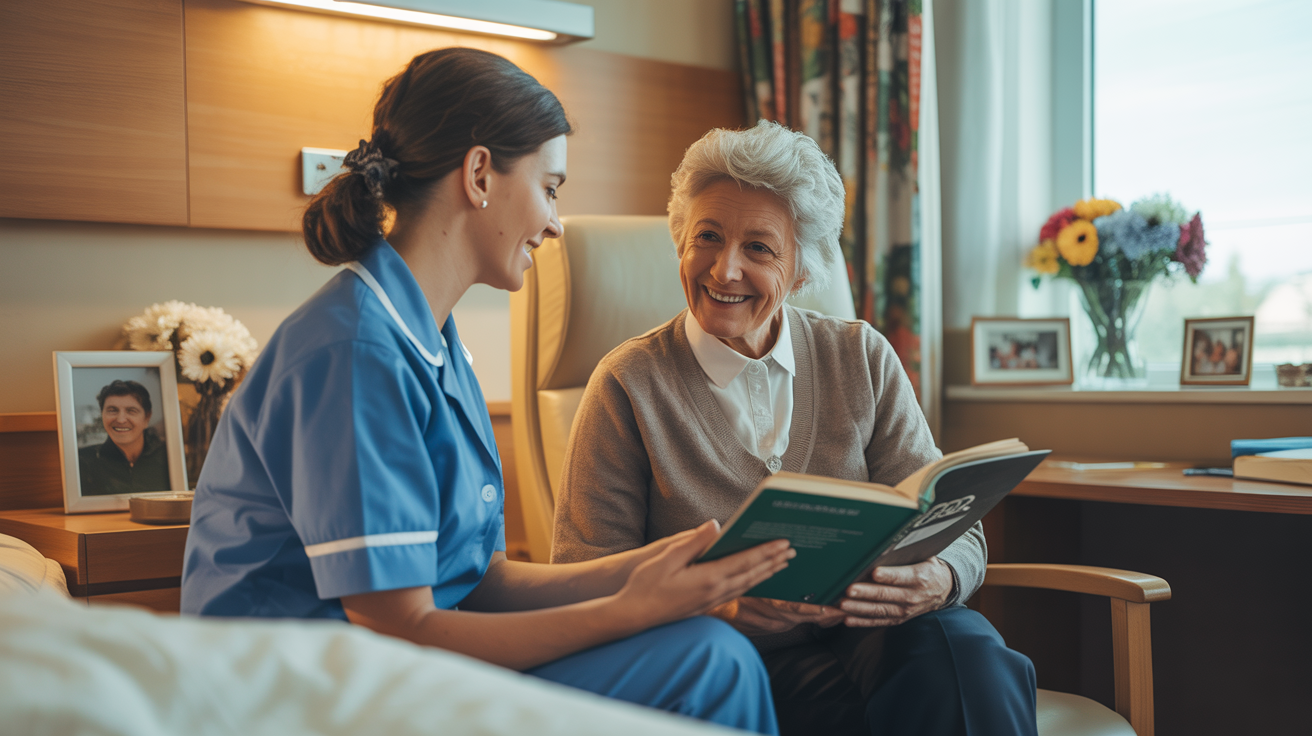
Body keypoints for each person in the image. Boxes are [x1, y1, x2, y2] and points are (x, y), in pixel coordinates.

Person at [180, 48, 791, 734]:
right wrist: (628, 612)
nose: (555, 223)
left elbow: (481, 580)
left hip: (396, 673)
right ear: (479, 175)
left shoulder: (433, 340)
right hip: (303, 700)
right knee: (709, 662)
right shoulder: (355, 354)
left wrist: (650, 568)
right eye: (550, 188)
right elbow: (400, 629)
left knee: (707, 652)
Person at [552, 121, 1038, 736]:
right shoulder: (628, 384)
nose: (725, 269)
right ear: (680, 242)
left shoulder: (861, 356)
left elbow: (953, 526)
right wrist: (719, 606)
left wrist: (938, 578)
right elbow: (585, 581)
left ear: (802, 270)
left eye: (759, 248)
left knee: (962, 653)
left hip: (871, 642)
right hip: (721, 663)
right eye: (707, 237)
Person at [78, 379, 170, 496]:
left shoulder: (168, 457)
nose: (121, 420)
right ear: (102, 415)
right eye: (112, 410)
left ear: (147, 417)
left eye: (131, 411)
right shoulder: (83, 462)